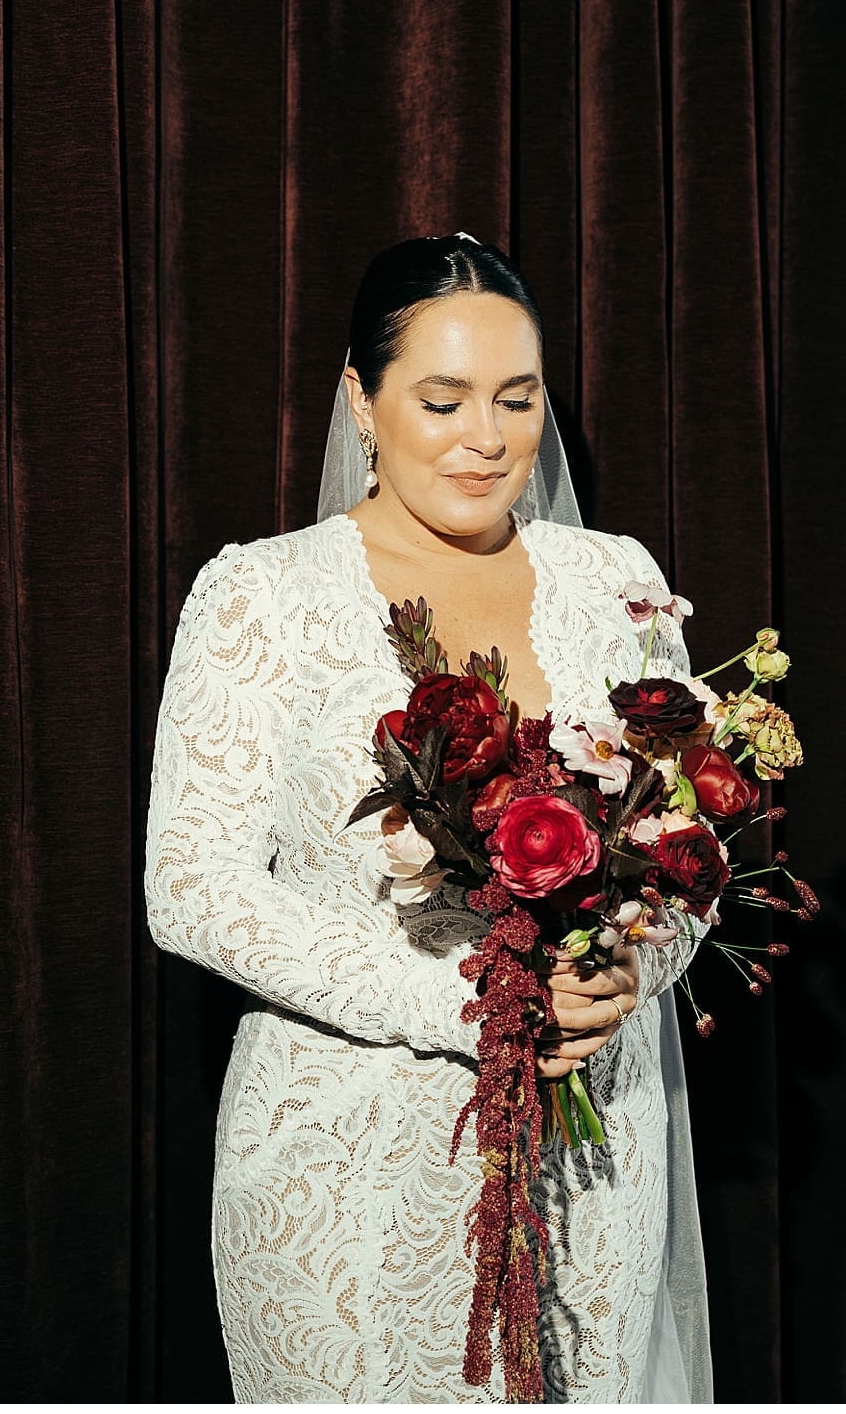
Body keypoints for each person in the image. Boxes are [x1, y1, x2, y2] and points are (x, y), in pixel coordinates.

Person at [144, 234, 711, 1401]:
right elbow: (190, 887)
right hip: (343, 1161)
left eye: (516, 397)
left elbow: (690, 841)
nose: (488, 437)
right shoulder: (264, 592)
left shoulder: (617, 581)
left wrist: (632, 971)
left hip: (590, 1154)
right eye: (442, 399)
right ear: (361, 399)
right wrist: (479, 1004)